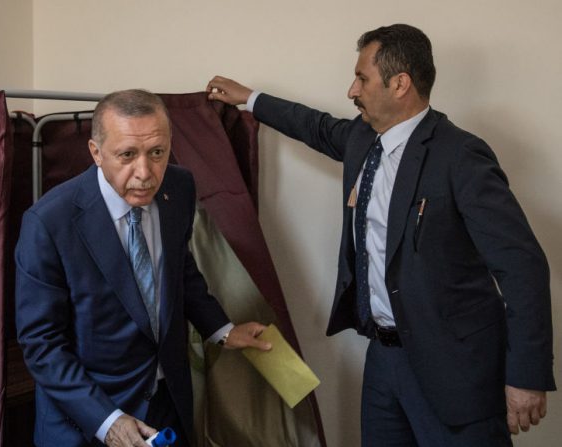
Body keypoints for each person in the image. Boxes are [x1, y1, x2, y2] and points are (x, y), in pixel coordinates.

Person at [206, 24, 554, 447]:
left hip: (455, 369)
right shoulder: (361, 138)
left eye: (362, 78)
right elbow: (312, 125)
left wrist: (526, 376)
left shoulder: (460, 156)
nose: (352, 90)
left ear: (400, 83)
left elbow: (523, 267)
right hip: (384, 363)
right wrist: (250, 98)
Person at [15, 89, 271, 447]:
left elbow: (179, 270)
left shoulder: (179, 187)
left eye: (157, 152)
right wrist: (108, 421)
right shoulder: (49, 222)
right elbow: (42, 346)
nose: (146, 172)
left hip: (167, 403)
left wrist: (222, 330)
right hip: (88, 420)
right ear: (96, 153)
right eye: (127, 155)